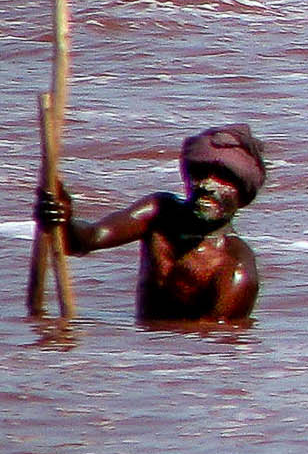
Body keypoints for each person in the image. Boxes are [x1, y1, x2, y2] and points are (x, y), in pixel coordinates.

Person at [33, 126, 267, 322]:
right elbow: (85, 239)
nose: (206, 185)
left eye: (223, 179)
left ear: (243, 197)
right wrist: (61, 218)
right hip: (143, 358)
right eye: (200, 173)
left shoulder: (236, 268)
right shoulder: (159, 212)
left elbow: (212, 343)